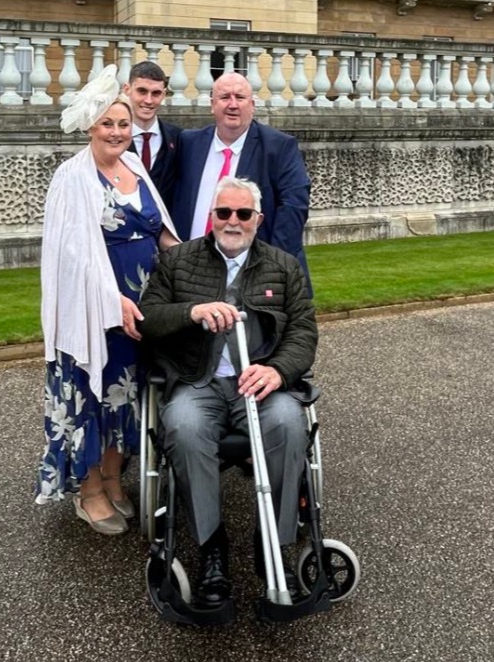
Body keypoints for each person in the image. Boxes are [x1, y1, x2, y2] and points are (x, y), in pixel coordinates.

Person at [139, 176, 317, 607]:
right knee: (181, 427)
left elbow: (304, 332)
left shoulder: (283, 265)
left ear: (258, 219)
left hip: (258, 385)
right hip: (198, 382)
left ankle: (271, 546)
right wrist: (192, 310)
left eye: (242, 214)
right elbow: (148, 318)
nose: (232, 222)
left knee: (291, 425)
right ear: (211, 216)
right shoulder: (178, 262)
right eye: (223, 213)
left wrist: (277, 370)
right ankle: (211, 549)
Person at [34, 64, 180, 536]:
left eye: (123, 124)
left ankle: (116, 480)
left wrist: (198, 268)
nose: (117, 132)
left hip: (144, 309)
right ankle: (89, 490)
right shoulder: (72, 177)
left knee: (127, 397)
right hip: (95, 313)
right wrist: (111, 300)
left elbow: (161, 233)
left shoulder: (135, 167)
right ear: (91, 128)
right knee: (93, 398)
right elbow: (67, 256)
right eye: (108, 124)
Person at [172, 72, 313, 296]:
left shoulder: (279, 147)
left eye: (240, 97)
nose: (233, 105)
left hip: (257, 276)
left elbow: (293, 209)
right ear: (212, 104)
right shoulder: (188, 143)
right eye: (225, 97)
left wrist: (269, 269)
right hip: (193, 275)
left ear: (252, 105)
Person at [123, 61, 183, 213]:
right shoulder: (114, 139)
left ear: (163, 94)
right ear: (127, 90)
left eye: (155, 93)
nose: (148, 100)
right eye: (142, 91)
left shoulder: (179, 138)